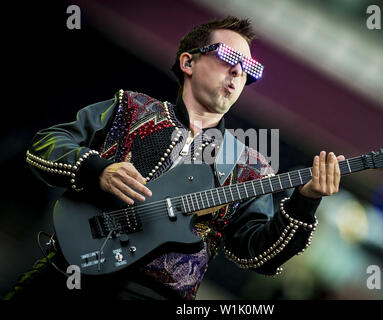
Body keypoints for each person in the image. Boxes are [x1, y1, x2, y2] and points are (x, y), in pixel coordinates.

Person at [5, 16, 345, 301]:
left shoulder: (250, 167)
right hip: (66, 273)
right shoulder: (131, 108)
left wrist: (305, 203)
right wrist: (98, 170)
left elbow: (254, 253)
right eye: (229, 57)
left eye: (250, 69)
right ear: (188, 62)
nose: (239, 72)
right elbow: (47, 143)